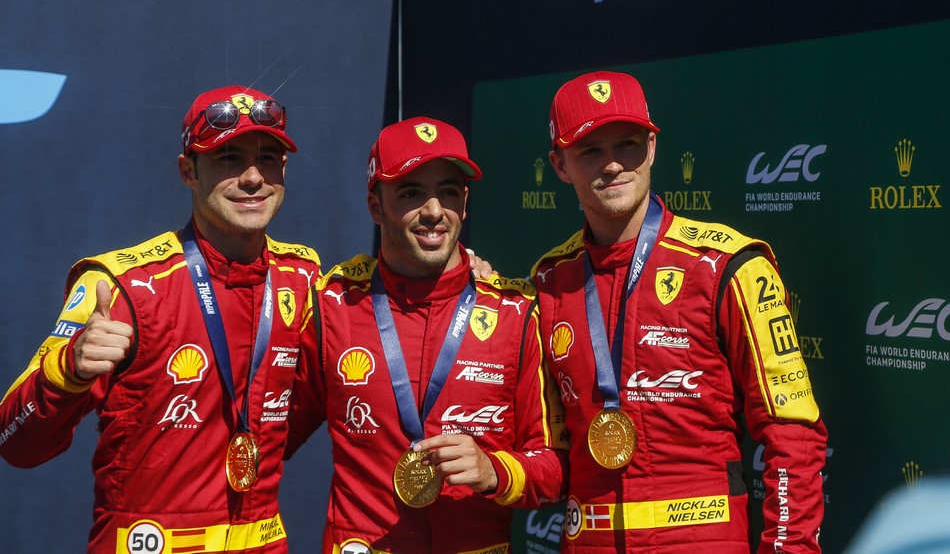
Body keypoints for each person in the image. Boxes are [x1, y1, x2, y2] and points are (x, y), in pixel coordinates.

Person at [0, 85, 321, 553]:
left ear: (284, 170)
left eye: (267, 159)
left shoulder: (304, 277)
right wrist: (69, 368)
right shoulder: (122, 285)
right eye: (229, 158)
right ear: (188, 171)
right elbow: (15, 442)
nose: (253, 178)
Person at [531, 71, 828, 553]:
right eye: (590, 151)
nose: (612, 164)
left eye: (627, 145)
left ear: (651, 147)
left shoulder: (727, 266)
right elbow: (545, 445)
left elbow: (792, 432)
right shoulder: (548, 281)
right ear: (560, 166)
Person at [285, 116, 568, 554]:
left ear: (465, 203)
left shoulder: (516, 312)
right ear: (375, 207)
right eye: (411, 193)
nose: (434, 211)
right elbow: (268, 434)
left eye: (448, 192)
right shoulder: (332, 307)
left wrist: (495, 472)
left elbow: (558, 468)